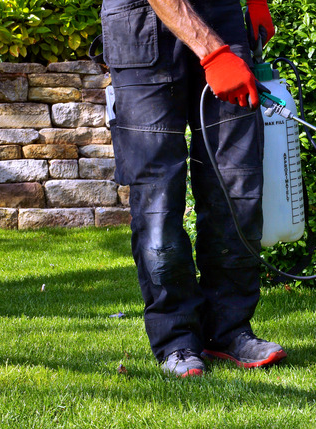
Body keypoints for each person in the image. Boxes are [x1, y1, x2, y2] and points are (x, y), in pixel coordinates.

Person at [101, 0, 285, 377]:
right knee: (158, 198)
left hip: (223, 20)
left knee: (237, 186)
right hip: (141, 25)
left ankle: (230, 330)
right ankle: (177, 340)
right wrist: (213, 52)